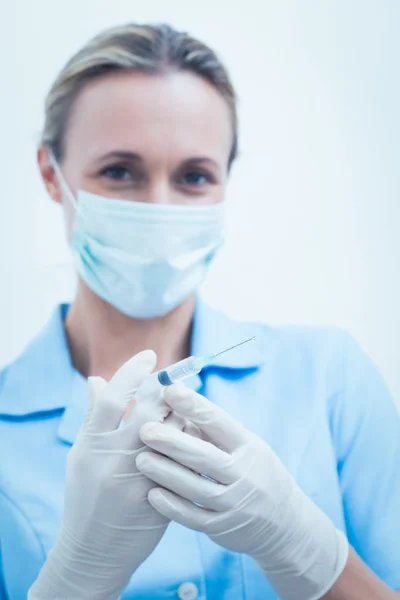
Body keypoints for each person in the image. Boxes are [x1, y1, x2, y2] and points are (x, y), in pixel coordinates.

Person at [0, 22, 398, 600]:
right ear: (51, 175)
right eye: (120, 171)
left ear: (225, 184)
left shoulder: (329, 381)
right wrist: (73, 581)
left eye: (193, 176)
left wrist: (310, 552)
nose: (159, 205)